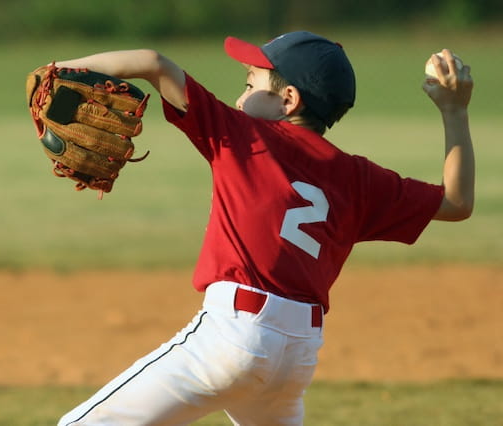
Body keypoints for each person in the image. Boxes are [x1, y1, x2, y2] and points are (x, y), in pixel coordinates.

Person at [55, 31, 474, 425]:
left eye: (250, 83)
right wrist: (454, 110)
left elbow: (152, 62)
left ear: (288, 99)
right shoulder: (359, 179)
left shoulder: (243, 136)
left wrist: (56, 71)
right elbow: (456, 203)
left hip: (231, 337)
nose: (240, 98)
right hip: (297, 355)